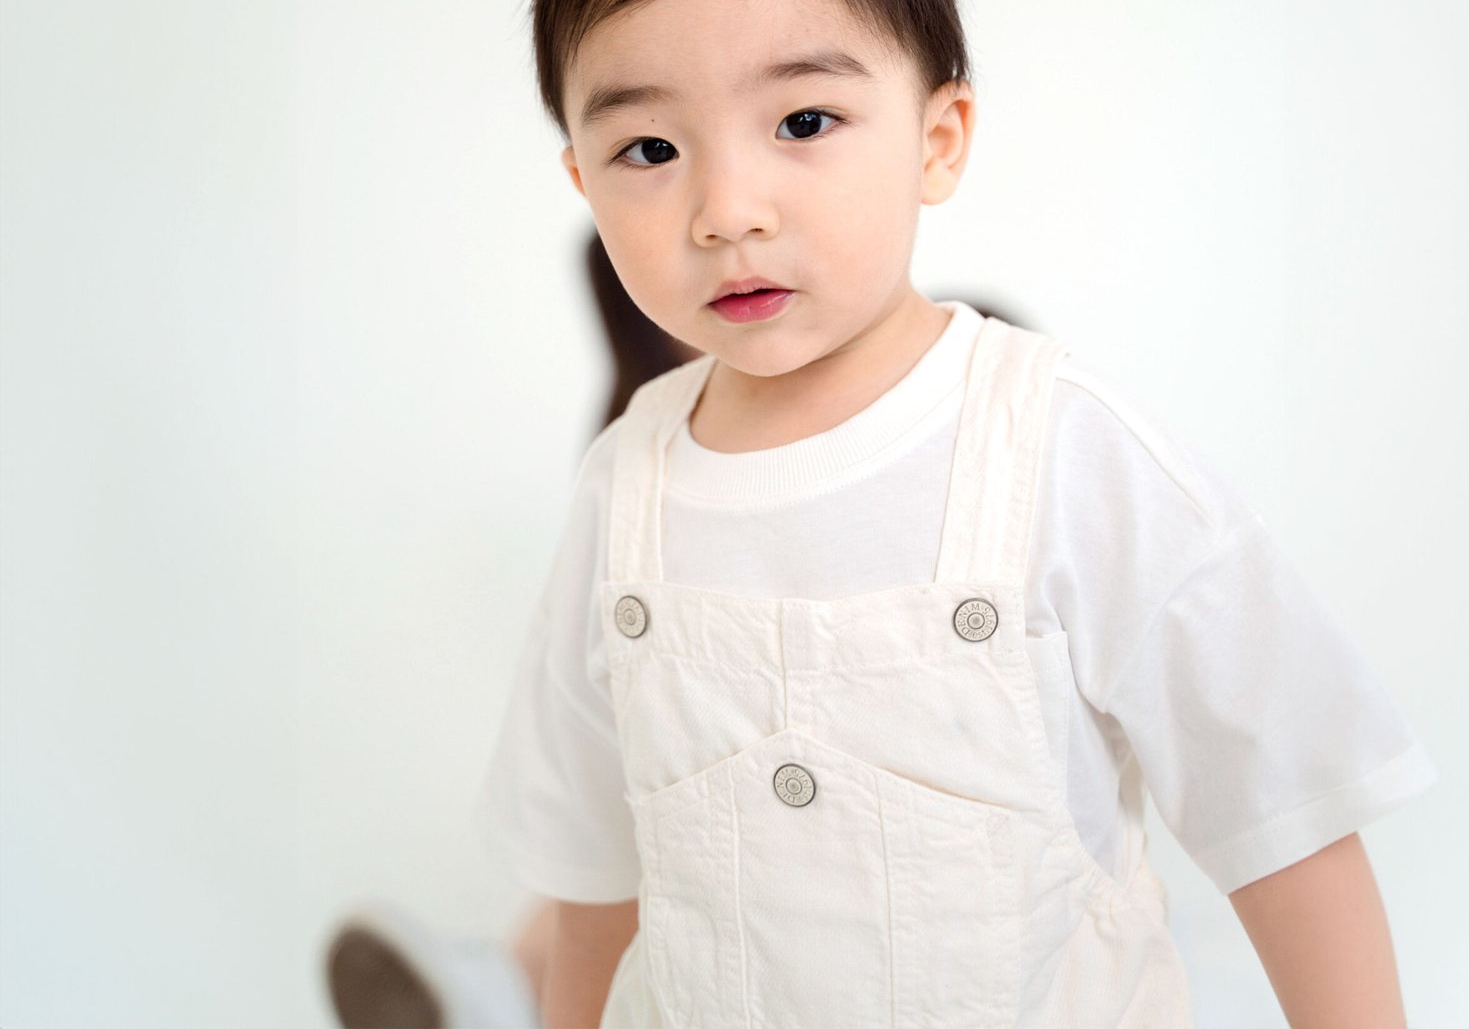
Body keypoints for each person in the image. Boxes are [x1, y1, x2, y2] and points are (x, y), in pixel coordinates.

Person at [400, 0, 1442, 1027]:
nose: (727, 209)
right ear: (582, 177)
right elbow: (594, 882)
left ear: (938, 139)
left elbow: (1283, 818)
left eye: (803, 122)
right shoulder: (626, 488)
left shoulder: (1064, 449)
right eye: (649, 150)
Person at [322, 231, 1021, 1029]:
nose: (730, 246)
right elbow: (597, 842)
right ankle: (499, 985)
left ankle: (497, 987)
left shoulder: (985, 393)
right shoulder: (633, 463)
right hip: (709, 781)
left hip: (929, 774)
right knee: (640, 813)